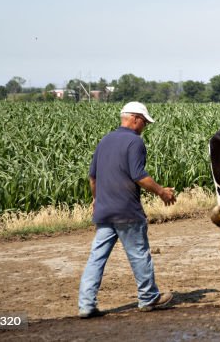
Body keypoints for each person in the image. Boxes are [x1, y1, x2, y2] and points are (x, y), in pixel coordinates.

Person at [77, 101, 177, 318]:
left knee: (96, 258)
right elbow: (139, 175)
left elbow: (92, 178)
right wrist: (162, 192)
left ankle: (86, 305)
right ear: (135, 119)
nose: (145, 127)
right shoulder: (135, 142)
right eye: (144, 122)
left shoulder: (104, 140)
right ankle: (148, 297)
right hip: (127, 211)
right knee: (139, 254)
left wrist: (96, 199)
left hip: (104, 211)